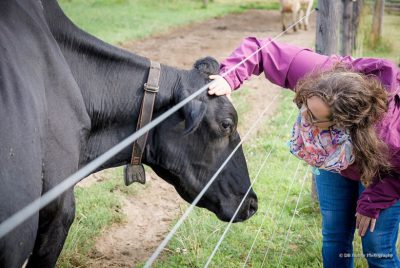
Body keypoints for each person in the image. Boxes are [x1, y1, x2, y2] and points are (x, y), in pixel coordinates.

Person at [208, 37, 400, 267]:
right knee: (335, 235)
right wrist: (230, 77)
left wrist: (372, 201)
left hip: (384, 173)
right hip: (333, 162)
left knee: (375, 245)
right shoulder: (319, 74)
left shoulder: (390, 138)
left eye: (313, 117)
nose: (304, 118)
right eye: (305, 105)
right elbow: (262, 50)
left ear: (343, 122)